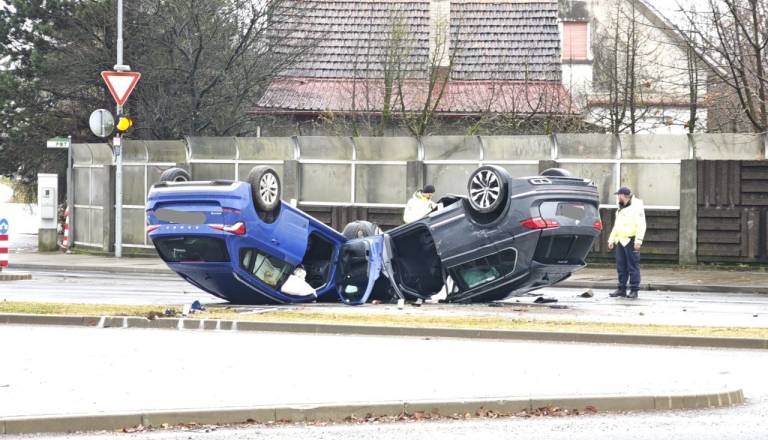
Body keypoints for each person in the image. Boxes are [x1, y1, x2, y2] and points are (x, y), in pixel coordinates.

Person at [608, 187, 646, 299]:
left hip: (631, 240)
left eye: (618, 195)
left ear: (623, 195)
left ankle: (634, 290)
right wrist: (611, 240)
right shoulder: (620, 208)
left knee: (633, 266)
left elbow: (641, 224)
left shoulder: (636, 207)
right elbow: (616, 226)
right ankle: (621, 289)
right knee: (621, 267)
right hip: (620, 241)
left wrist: (638, 240)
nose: (617, 197)